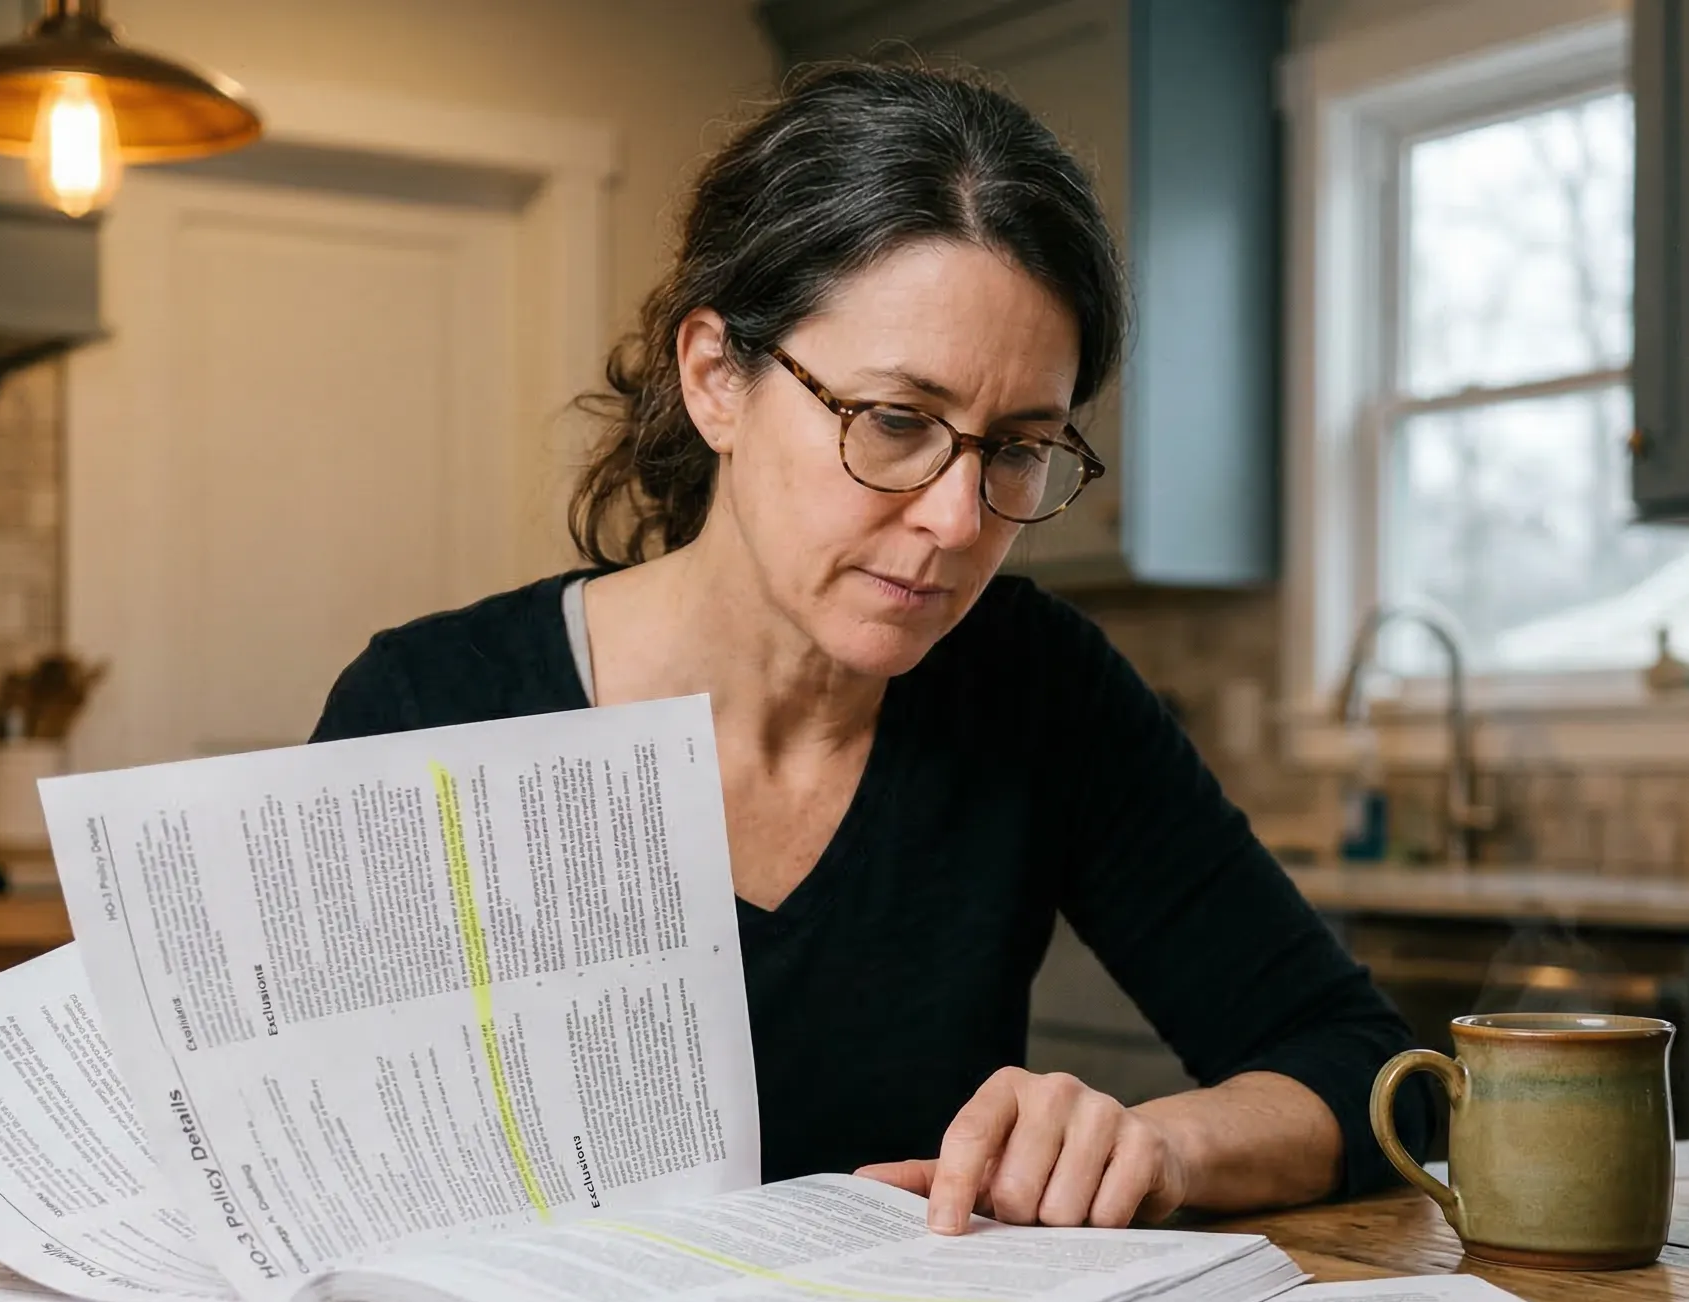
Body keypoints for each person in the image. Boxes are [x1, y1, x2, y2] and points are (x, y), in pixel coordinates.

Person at [312, 60, 1429, 1234]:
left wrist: (1159, 1146)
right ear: (715, 381)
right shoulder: (428, 708)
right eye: (894, 422)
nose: (957, 520)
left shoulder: (1039, 692)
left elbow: (1362, 1067)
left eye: (1016, 448)